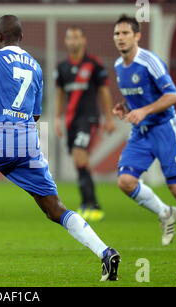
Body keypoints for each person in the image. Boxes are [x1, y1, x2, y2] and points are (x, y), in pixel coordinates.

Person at [0, 15, 120, 281]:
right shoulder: (35, 66)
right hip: (29, 142)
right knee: (54, 207)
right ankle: (105, 252)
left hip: (0, 139)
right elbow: (34, 115)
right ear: (21, 37)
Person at [112, 15, 176, 254]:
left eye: (126, 33)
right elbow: (138, 97)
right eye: (117, 34)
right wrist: (126, 108)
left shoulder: (149, 61)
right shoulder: (119, 66)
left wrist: (144, 110)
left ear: (137, 36)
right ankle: (165, 213)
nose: (120, 38)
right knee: (125, 182)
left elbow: (172, 96)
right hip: (141, 132)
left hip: (164, 129)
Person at [55, 26, 116, 222]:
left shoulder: (93, 64)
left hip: (88, 118)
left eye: (76, 38)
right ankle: (88, 203)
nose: (73, 41)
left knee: (80, 158)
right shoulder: (62, 67)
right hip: (71, 120)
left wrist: (108, 118)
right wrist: (57, 118)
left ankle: (91, 204)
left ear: (83, 40)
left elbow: (104, 91)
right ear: (66, 42)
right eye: (69, 38)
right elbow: (60, 94)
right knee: (79, 162)